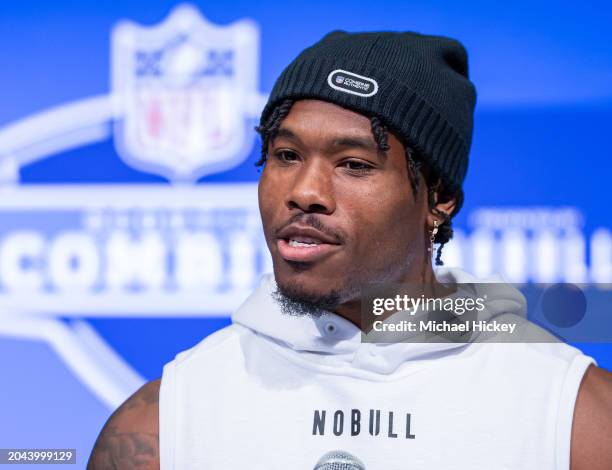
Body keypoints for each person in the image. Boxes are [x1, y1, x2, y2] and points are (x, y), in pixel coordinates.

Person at [87, 31, 612, 469]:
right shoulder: (159, 427)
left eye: (354, 163)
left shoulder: (575, 419)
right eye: (286, 154)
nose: (305, 191)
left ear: (440, 198)